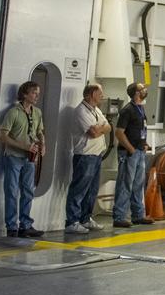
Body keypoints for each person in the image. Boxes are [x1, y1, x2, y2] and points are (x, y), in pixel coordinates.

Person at [0, 81, 46, 238]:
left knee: (28, 191)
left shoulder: (37, 112)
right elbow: (2, 137)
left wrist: (43, 144)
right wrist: (24, 146)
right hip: (14, 157)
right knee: (12, 191)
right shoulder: (13, 113)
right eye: (34, 93)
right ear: (25, 94)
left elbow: (39, 132)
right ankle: (11, 226)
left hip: (30, 158)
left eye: (38, 93)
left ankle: (26, 225)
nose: (37, 96)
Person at [65, 83, 112, 233]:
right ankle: (72, 221)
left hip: (97, 155)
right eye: (100, 93)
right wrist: (100, 128)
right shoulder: (81, 111)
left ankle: (85, 219)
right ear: (91, 95)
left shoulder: (96, 110)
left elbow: (108, 127)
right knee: (79, 189)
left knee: (92, 190)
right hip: (85, 156)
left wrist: (100, 128)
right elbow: (93, 132)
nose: (102, 96)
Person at [113, 82, 156, 228]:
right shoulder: (127, 110)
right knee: (125, 184)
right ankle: (119, 216)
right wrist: (131, 149)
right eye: (142, 89)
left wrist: (144, 144)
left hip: (139, 151)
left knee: (138, 185)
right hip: (129, 153)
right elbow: (119, 132)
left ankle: (138, 215)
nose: (145, 90)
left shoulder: (140, 109)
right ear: (136, 93)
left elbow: (139, 130)